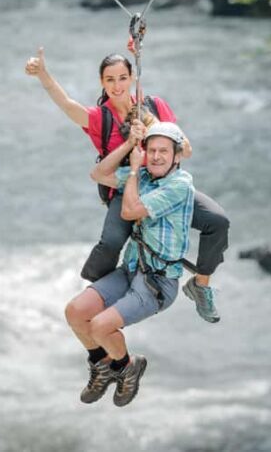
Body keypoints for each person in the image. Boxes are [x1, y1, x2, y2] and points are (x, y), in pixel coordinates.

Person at [25, 46, 226, 322]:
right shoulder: (100, 118)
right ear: (102, 83)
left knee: (217, 221)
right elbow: (67, 104)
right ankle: (99, 295)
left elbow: (186, 150)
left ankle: (201, 286)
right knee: (111, 242)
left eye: (122, 78)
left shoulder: (152, 105)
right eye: (110, 79)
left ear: (131, 77)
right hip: (127, 187)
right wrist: (44, 75)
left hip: (165, 187)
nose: (117, 85)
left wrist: (149, 121)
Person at [65, 121, 193, 406]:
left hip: (156, 281)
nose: (157, 156)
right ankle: (108, 366)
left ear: (176, 156)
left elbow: (130, 210)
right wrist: (128, 147)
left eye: (164, 151)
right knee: (76, 312)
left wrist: (134, 171)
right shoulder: (144, 175)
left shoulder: (180, 185)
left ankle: (128, 365)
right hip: (130, 270)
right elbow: (98, 173)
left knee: (99, 327)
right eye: (152, 150)